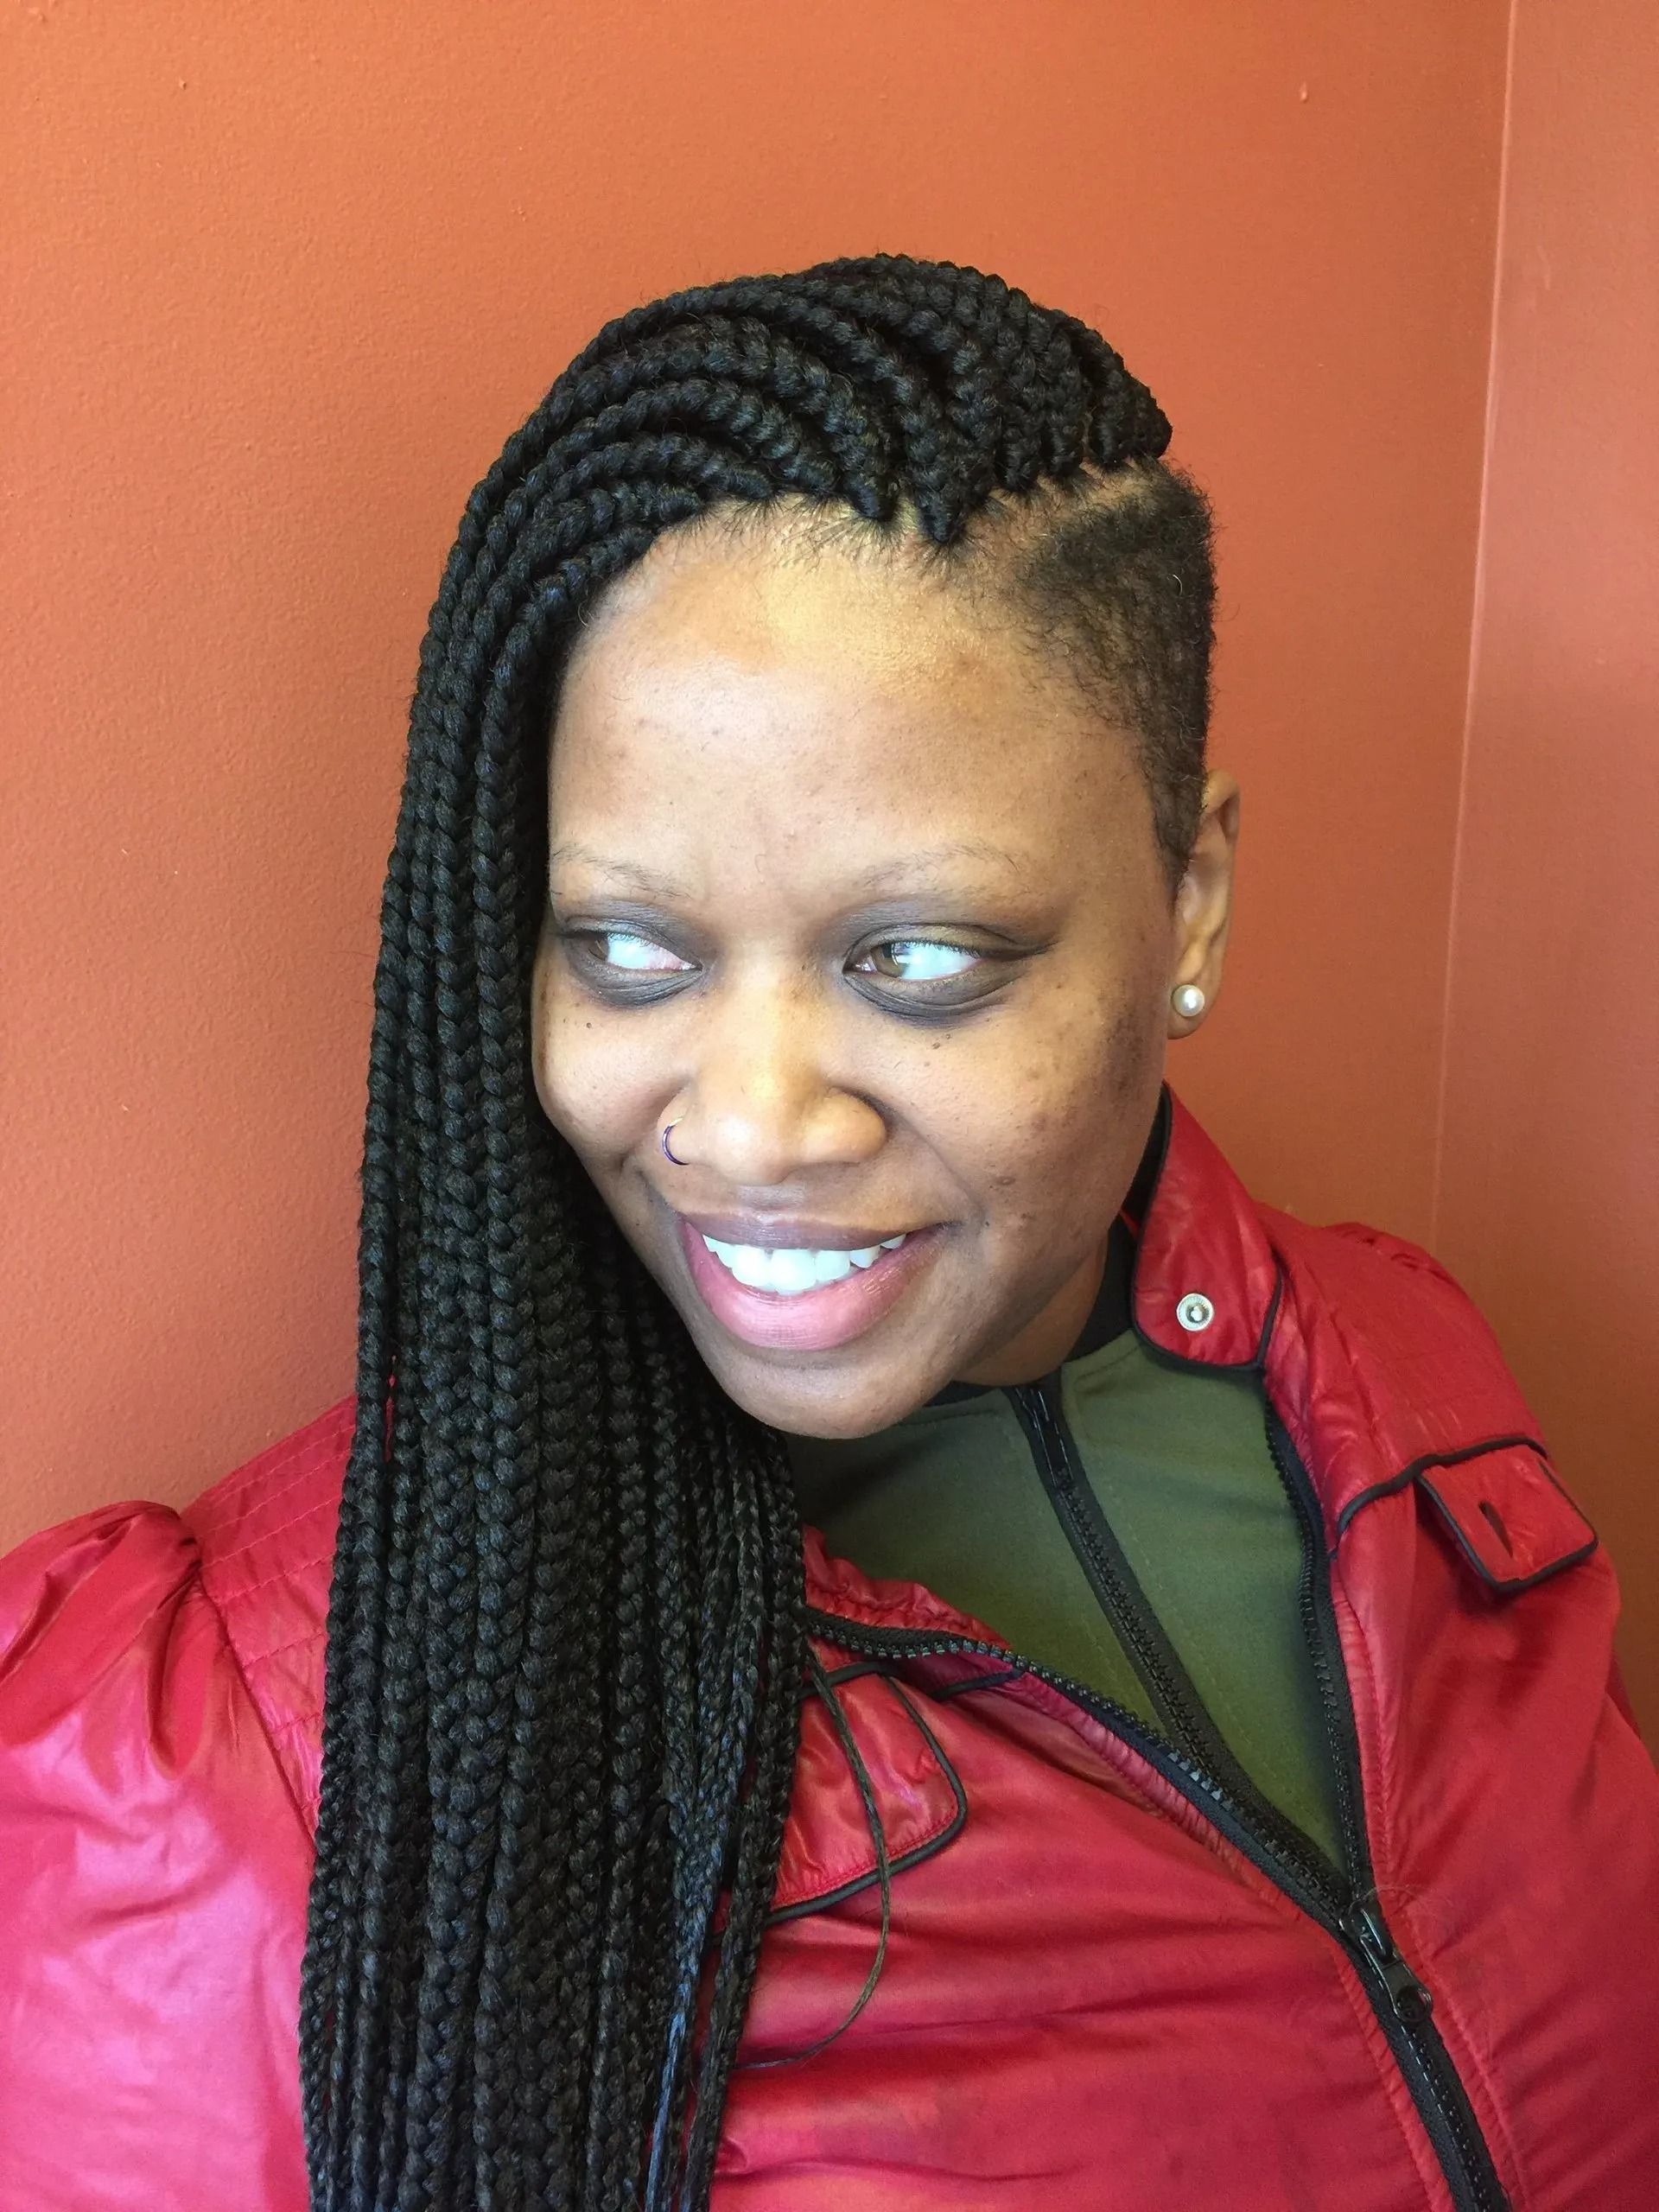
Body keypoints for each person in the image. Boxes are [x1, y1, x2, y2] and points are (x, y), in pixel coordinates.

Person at [2, 253, 1656, 2212]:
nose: (753, 1120)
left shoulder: (1410, 1375)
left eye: (924, 955)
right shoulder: (244, 1764)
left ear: (1191, 900)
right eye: (627, 948)